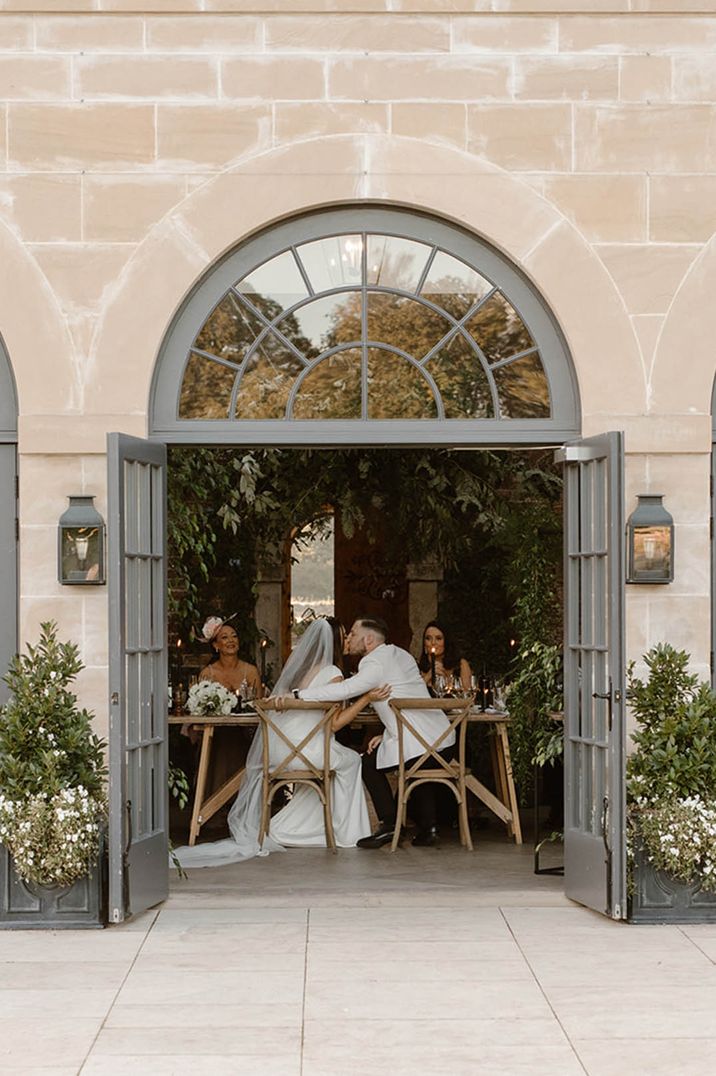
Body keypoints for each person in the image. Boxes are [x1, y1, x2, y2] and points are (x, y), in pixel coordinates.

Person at [173, 617, 382, 868]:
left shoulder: (303, 671)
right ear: (335, 641)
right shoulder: (333, 673)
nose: (348, 639)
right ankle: (346, 834)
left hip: (281, 750)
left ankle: (292, 828)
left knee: (335, 764)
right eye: (345, 635)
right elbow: (335, 725)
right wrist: (366, 697)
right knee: (350, 761)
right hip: (305, 750)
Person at [290, 616, 456, 849]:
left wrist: (299, 695)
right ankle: (429, 829)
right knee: (411, 759)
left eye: (353, 635)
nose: (349, 639)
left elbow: (345, 689)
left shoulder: (373, 663)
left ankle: (389, 825)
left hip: (421, 745)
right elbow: (406, 697)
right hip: (443, 741)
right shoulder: (400, 654)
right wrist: (388, 734)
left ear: (368, 640)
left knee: (369, 763)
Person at [199, 615, 263, 700]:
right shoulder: (207, 674)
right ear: (216, 645)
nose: (231, 640)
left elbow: (258, 704)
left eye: (234, 636)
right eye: (225, 637)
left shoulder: (251, 671)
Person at [418, 621, 473, 695]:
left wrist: (446, 680)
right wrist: (428, 676)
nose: (433, 642)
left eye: (438, 638)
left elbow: (468, 696)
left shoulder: (461, 664)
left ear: (446, 642)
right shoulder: (416, 667)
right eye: (428, 638)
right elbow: (410, 696)